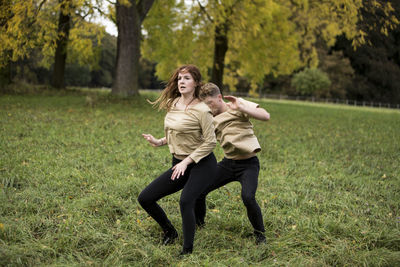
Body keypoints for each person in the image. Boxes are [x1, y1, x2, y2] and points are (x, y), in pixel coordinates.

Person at [138, 65, 217, 256]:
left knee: (186, 200)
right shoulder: (173, 103)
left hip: (202, 164)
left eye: (187, 78)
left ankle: (187, 250)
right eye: (180, 78)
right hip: (179, 163)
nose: (182, 82)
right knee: (145, 198)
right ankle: (170, 231)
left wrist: (187, 161)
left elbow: (210, 142)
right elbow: (177, 132)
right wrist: (159, 141)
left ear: (196, 83)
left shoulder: (202, 109)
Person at [195, 82, 270, 244]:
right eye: (205, 105)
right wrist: (162, 140)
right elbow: (193, 136)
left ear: (220, 97)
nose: (209, 107)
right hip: (228, 164)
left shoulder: (237, 105)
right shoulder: (210, 118)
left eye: (210, 103)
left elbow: (265, 116)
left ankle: (260, 235)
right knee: (199, 191)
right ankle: (199, 225)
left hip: (249, 164)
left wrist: (242, 108)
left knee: (248, 197)